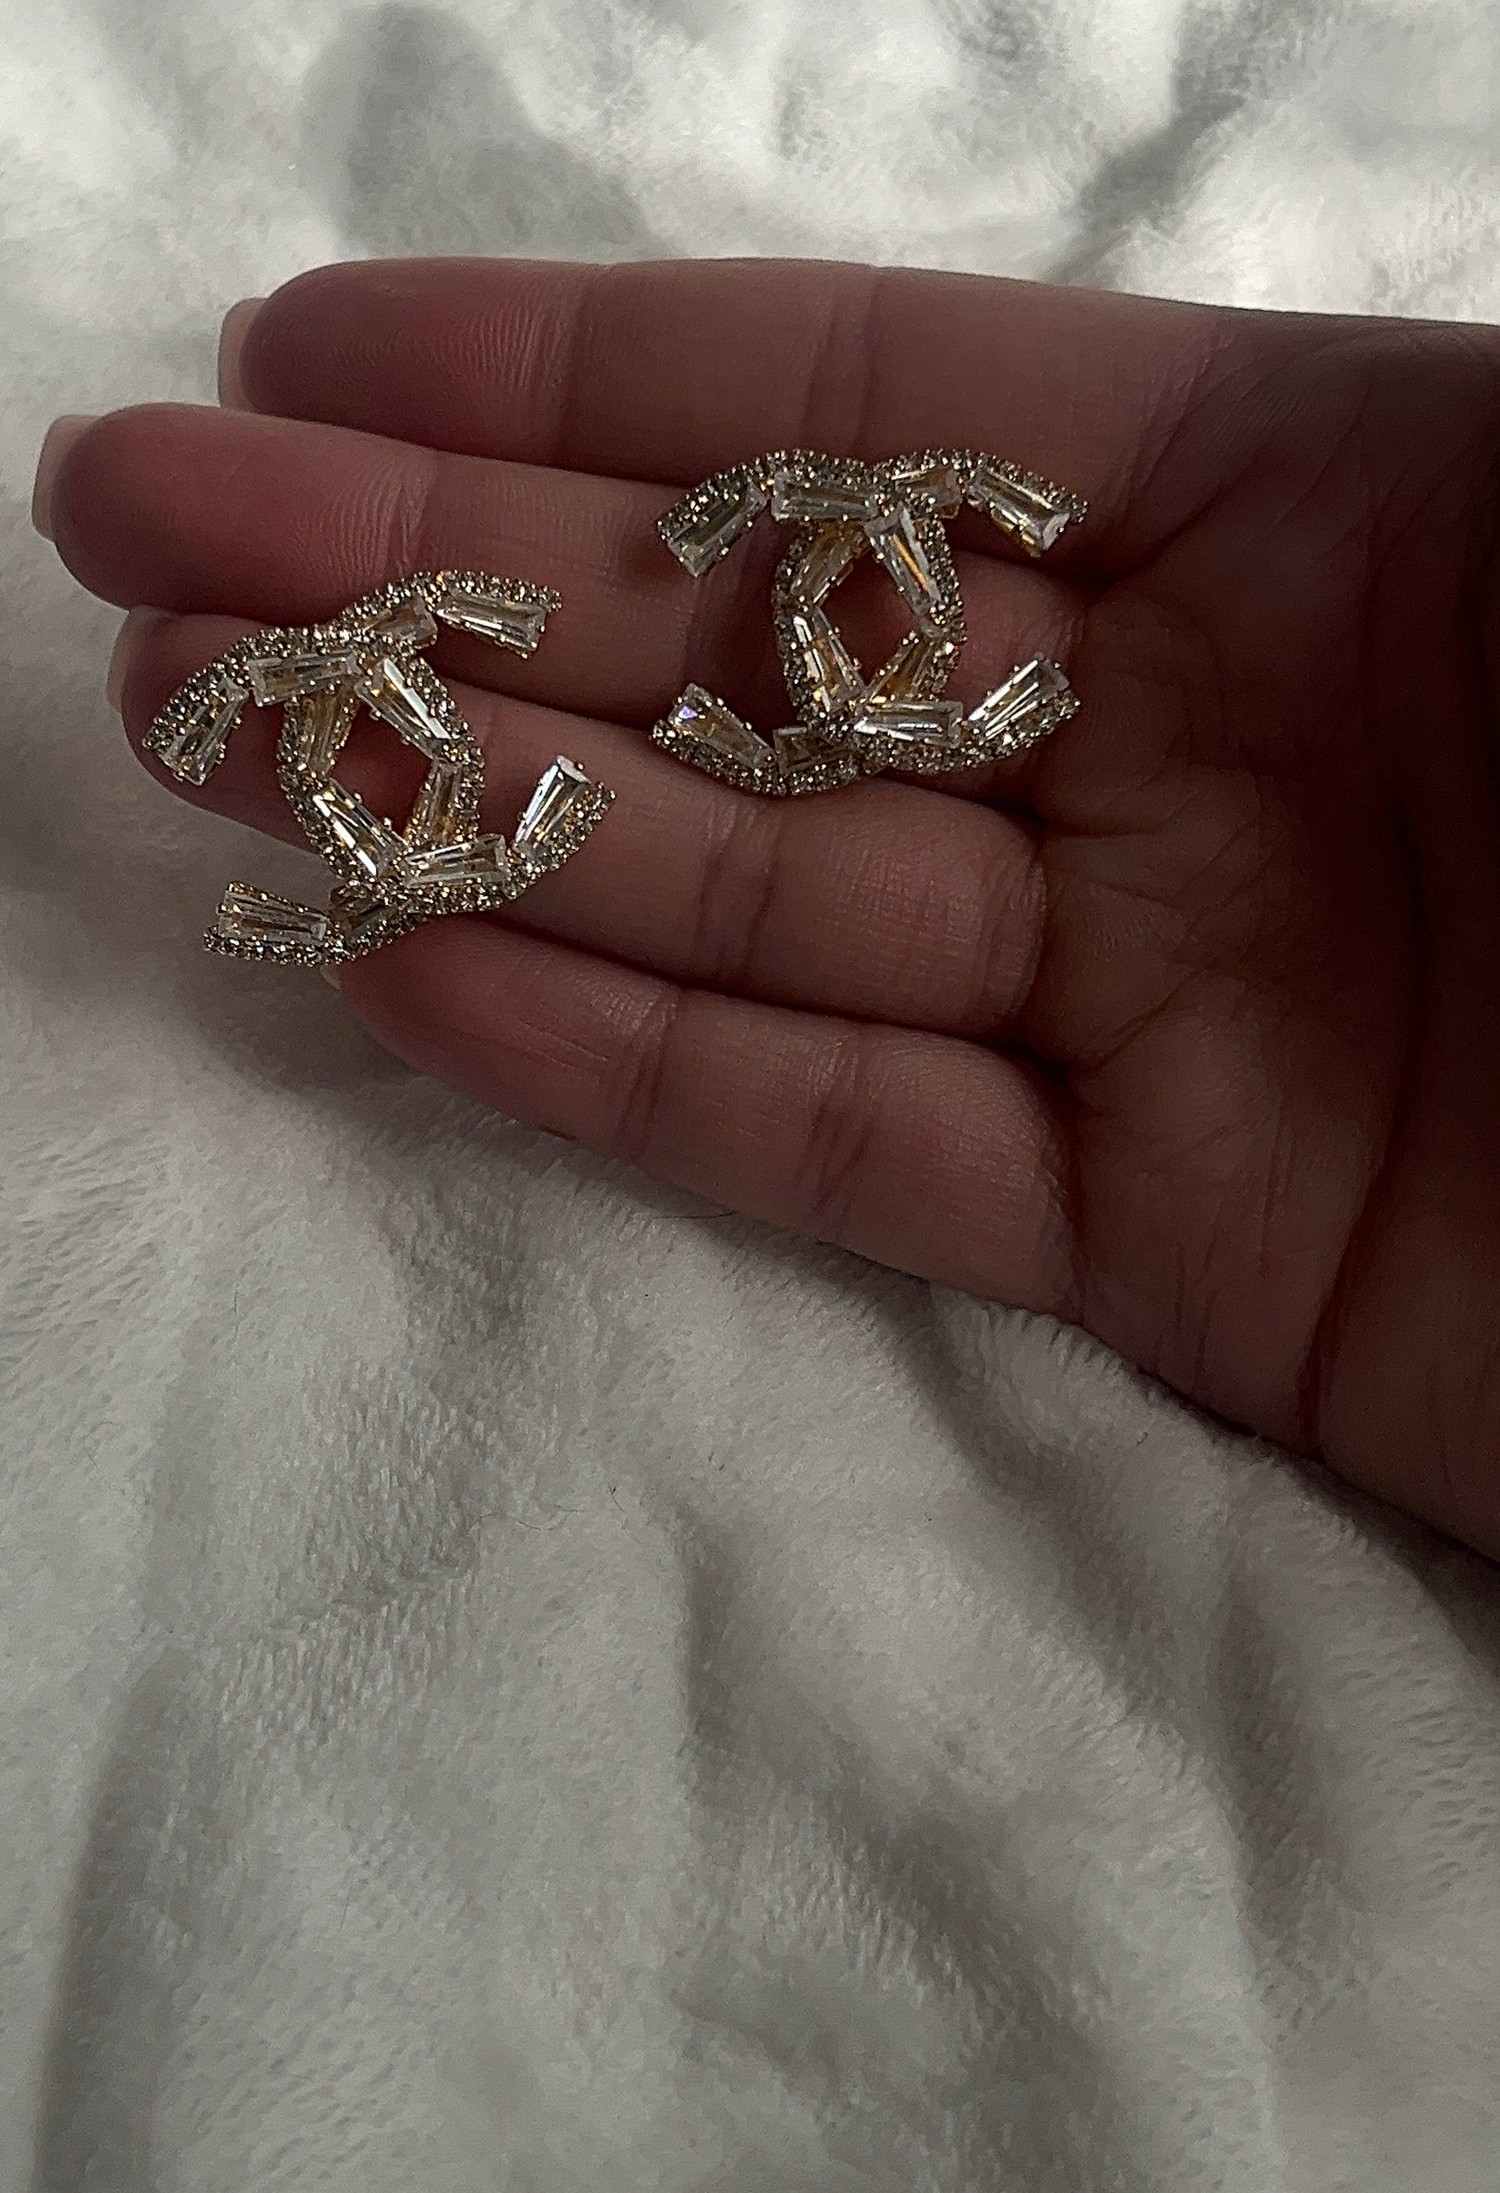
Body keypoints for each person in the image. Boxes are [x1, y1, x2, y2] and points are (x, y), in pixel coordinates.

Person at [31, 257, 1500, 1564]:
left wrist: (711, 575)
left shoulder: (881, 579)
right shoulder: (423, 675)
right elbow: (718, 553)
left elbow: (919, 530)